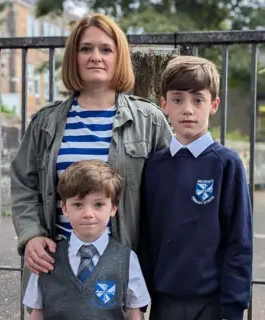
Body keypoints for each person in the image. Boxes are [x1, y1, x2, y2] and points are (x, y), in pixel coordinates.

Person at [10, 13, 172, 299]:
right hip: (55, 265)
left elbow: (169, 196)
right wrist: (31, 234)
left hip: (120, 267)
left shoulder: (151, 120)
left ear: (119, 57)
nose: (95, 56)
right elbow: (24, 183)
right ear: (74, 56)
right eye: (86, 48)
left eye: (106, 49)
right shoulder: (45, 123)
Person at [139, 55, 253, 320]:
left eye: (198, 100)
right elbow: (146, 237)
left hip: (212, 304)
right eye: (178, 100)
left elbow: (239, 239)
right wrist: (139, 298)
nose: (188, 109)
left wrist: (234, 305)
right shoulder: (154, 166)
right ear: (164, 105)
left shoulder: (226, 164)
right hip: (163, 300)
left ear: (213, 105)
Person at [22, 159, 150, 320]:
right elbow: (37, 313)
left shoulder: (127, 259)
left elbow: (134, 312)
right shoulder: (47, 259)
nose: (88, 213)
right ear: (64, 208)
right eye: (78, 205)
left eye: (98, 205)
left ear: (113, 208)